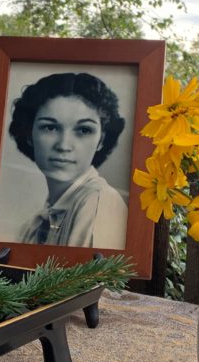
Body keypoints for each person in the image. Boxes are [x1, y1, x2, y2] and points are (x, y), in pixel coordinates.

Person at [7, 72, 128, 248]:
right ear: (29, 135)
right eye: (50, 127)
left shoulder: (99, 202)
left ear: (101, 140)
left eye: (84, 130)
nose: (63, 145)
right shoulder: (33, 226)